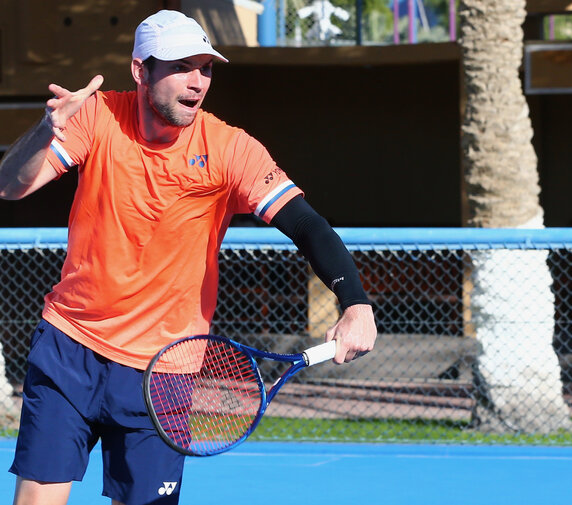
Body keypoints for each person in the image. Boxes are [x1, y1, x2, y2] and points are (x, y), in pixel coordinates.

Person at [0, 10, 376, 505]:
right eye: (181, 66)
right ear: (141, 70)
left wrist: (356, 303)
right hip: (72, 347)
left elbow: (307, 225)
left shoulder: (230, 149)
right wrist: (46, 130)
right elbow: (10, 184)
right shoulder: (96, 116)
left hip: (165, 368)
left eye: (206, 68)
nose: (197, 82)